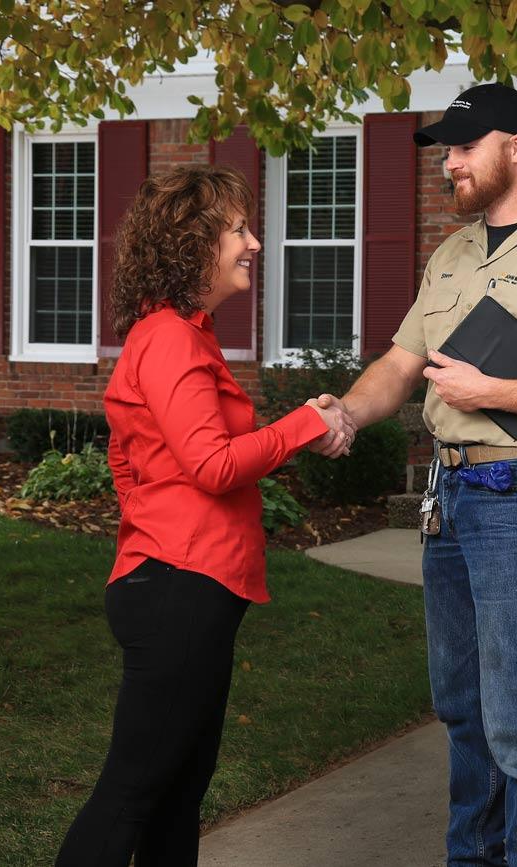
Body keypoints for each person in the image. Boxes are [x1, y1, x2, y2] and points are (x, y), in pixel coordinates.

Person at [311, 82, 517, 866]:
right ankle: (474, 856)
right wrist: (350, 413)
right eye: (446, 151)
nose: (449, 163)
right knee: (462, 709)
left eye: (463, 147)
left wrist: (491, 390)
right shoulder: (451, 255)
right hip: (450, 497)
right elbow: (401, 363)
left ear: (516, 146)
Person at [56, 165, 356, 867]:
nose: (255, 242)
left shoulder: (185, 335)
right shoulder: (169, 339)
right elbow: (214, 463)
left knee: (177, 792)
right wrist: (307, 425)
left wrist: (150, 516)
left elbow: (128, 455)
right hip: (176, 590)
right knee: (131, 792)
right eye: (240, 229)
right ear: (195, 242)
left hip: (187, 583)